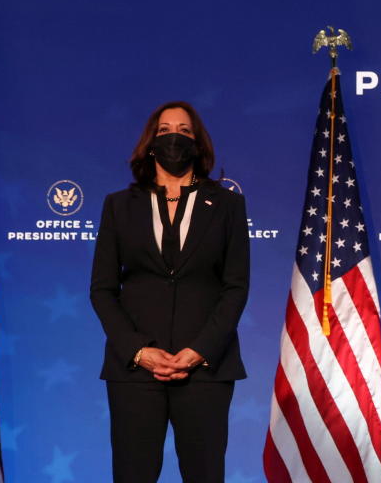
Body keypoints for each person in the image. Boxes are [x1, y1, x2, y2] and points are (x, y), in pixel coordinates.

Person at [90, 101, 250, 482]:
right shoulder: (119, 206)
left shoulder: (228, 205)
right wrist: (138, 351)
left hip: (206, 369)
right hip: (135, 370)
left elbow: (236, 287)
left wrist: (199, 351)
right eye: (164, 131)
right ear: (149, 143)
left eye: (184, 130)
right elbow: (102, 289)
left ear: (198, 144)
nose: (174, 138)